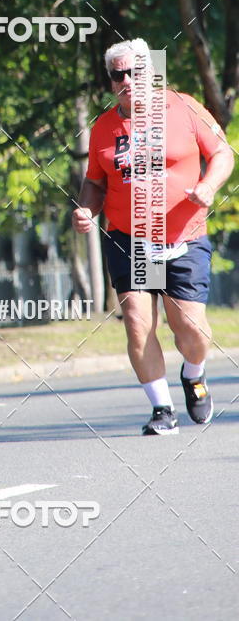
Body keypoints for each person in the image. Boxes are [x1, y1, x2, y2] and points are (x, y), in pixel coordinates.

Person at [72, 38, 234, 435]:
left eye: (135, 72)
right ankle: (162, 409)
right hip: (131, 239)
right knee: (138, 323)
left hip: (183, 234)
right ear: (111, 81)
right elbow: (94, 183)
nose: (127, 80)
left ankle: (193, 375)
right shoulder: (104, 128)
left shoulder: (183, 107)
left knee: (191, 330)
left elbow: (223, 154)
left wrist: (210, 186)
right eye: (118, 75)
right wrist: (85, 210)